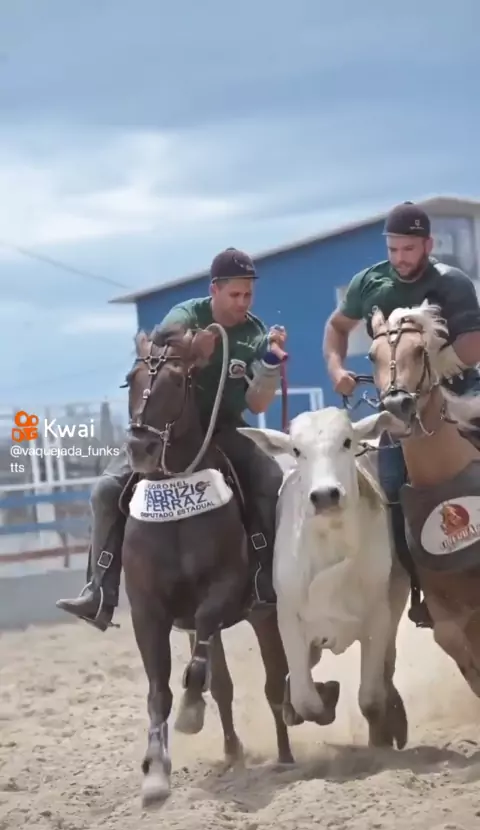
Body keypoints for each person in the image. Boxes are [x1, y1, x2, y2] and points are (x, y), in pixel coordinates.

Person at [56, 247, 288, 631]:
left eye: (248, 294)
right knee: (105, 491)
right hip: (167, 430)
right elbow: (162, 348)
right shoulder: (185, 315)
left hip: (224, 428)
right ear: (214, 290)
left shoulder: (256, 335)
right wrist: (196, 350)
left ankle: (266, 579)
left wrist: (269, 365)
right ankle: (99, 591)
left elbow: (257, 402)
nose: (243, 302)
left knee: (270, 479)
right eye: (235, 294)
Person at [323, 201, 480, 628]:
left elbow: (473, 343)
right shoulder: (369, 283)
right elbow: (337, 327)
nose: (400, 258)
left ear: (427, 244)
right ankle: (419, 587)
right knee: (391, 488)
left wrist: (433, 369)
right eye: (393, 249)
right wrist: (336, 369)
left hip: (462, 390)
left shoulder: (451, 282)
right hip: (400, 407)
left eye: (409, 249)